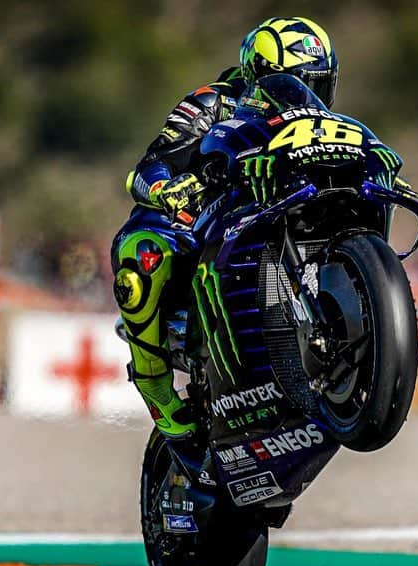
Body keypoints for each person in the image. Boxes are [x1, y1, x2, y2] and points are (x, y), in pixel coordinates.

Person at [110, 17, 340, 442]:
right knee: (141, 249)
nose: (304, 95)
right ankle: (155, 383)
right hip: (209, 219)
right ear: (258, 76)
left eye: (317, 83)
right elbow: (151, 163)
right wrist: (168, 189)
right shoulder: (214, 101)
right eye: (293, 82)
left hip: (286, 217)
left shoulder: (326, 125)